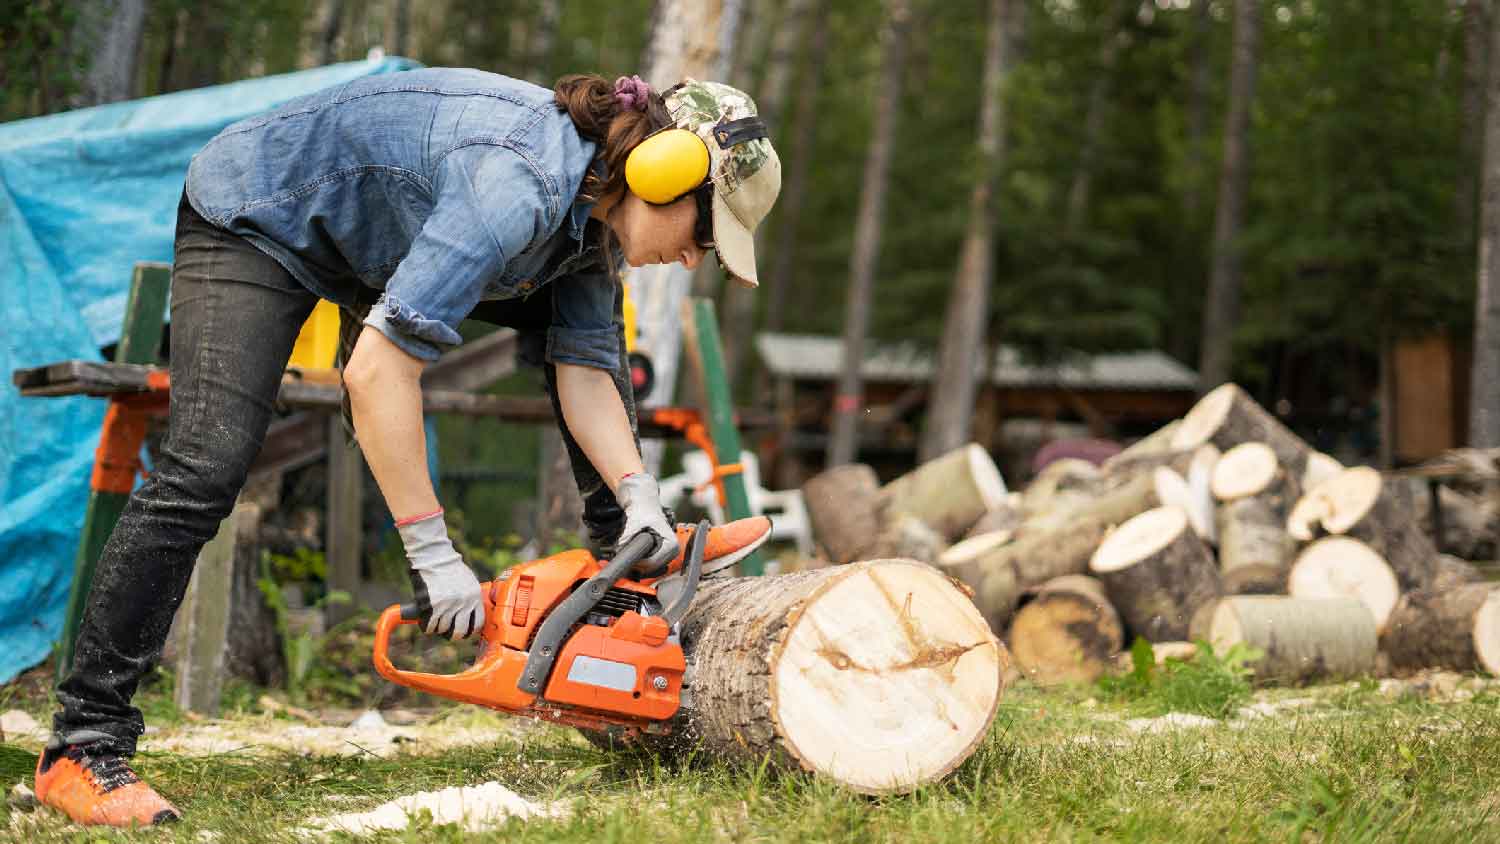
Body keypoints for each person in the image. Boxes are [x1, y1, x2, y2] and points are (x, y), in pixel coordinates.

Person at [34, 67, 781, 827]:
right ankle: (82, 747)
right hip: (260, 217)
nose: (694, 260)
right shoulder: (515, 186)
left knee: (593, 344)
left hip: (376, 242)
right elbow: (377, 372)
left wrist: (638, 494)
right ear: (663, 174)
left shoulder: (594, 217)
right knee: (205, 469)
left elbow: (584, 368)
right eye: (705, 234)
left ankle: (628, 557)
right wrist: (433, 553)